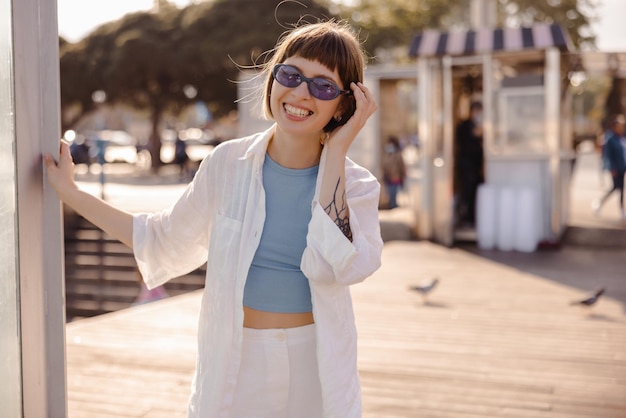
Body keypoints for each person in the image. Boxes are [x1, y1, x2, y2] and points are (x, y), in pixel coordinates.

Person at [44, 20, 383, 418]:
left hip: (316, 360)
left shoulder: (357, 185)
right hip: (236, 359)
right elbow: (160, 239)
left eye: (323, 86)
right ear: (273, 79)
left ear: (345, 104)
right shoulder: (227, 164)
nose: (299, 92)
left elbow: (343, 266)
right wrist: (71, 193)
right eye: (290, 74)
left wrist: (338, 149)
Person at [454, 101, 484, 226]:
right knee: (468, 193)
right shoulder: (465, 127)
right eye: (478, 112)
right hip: (467, 166)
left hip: (476, 166)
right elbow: (465, 146)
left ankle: (472, 217)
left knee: (475, 193)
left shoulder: (480, 126)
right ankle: (467, 219)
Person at [592, 114, 626, 218]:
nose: (622, 127)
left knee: (620, 188)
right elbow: (607, 155)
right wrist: (611, 167)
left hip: (622, 166)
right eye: (620, 125)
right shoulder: (610, 138)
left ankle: (621, 210)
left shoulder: (622, 137)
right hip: (615, 167)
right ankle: (600, 202)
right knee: (616, 187)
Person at [381, 135, 406, 209]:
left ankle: (393, 204)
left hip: (395, 177)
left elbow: (401, 166)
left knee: (393, 192)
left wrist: (402, 177)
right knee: (389, 192)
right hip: (387, 177)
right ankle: (392, 204)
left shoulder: (398, 155)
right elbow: (383, 165)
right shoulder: (386, 154)